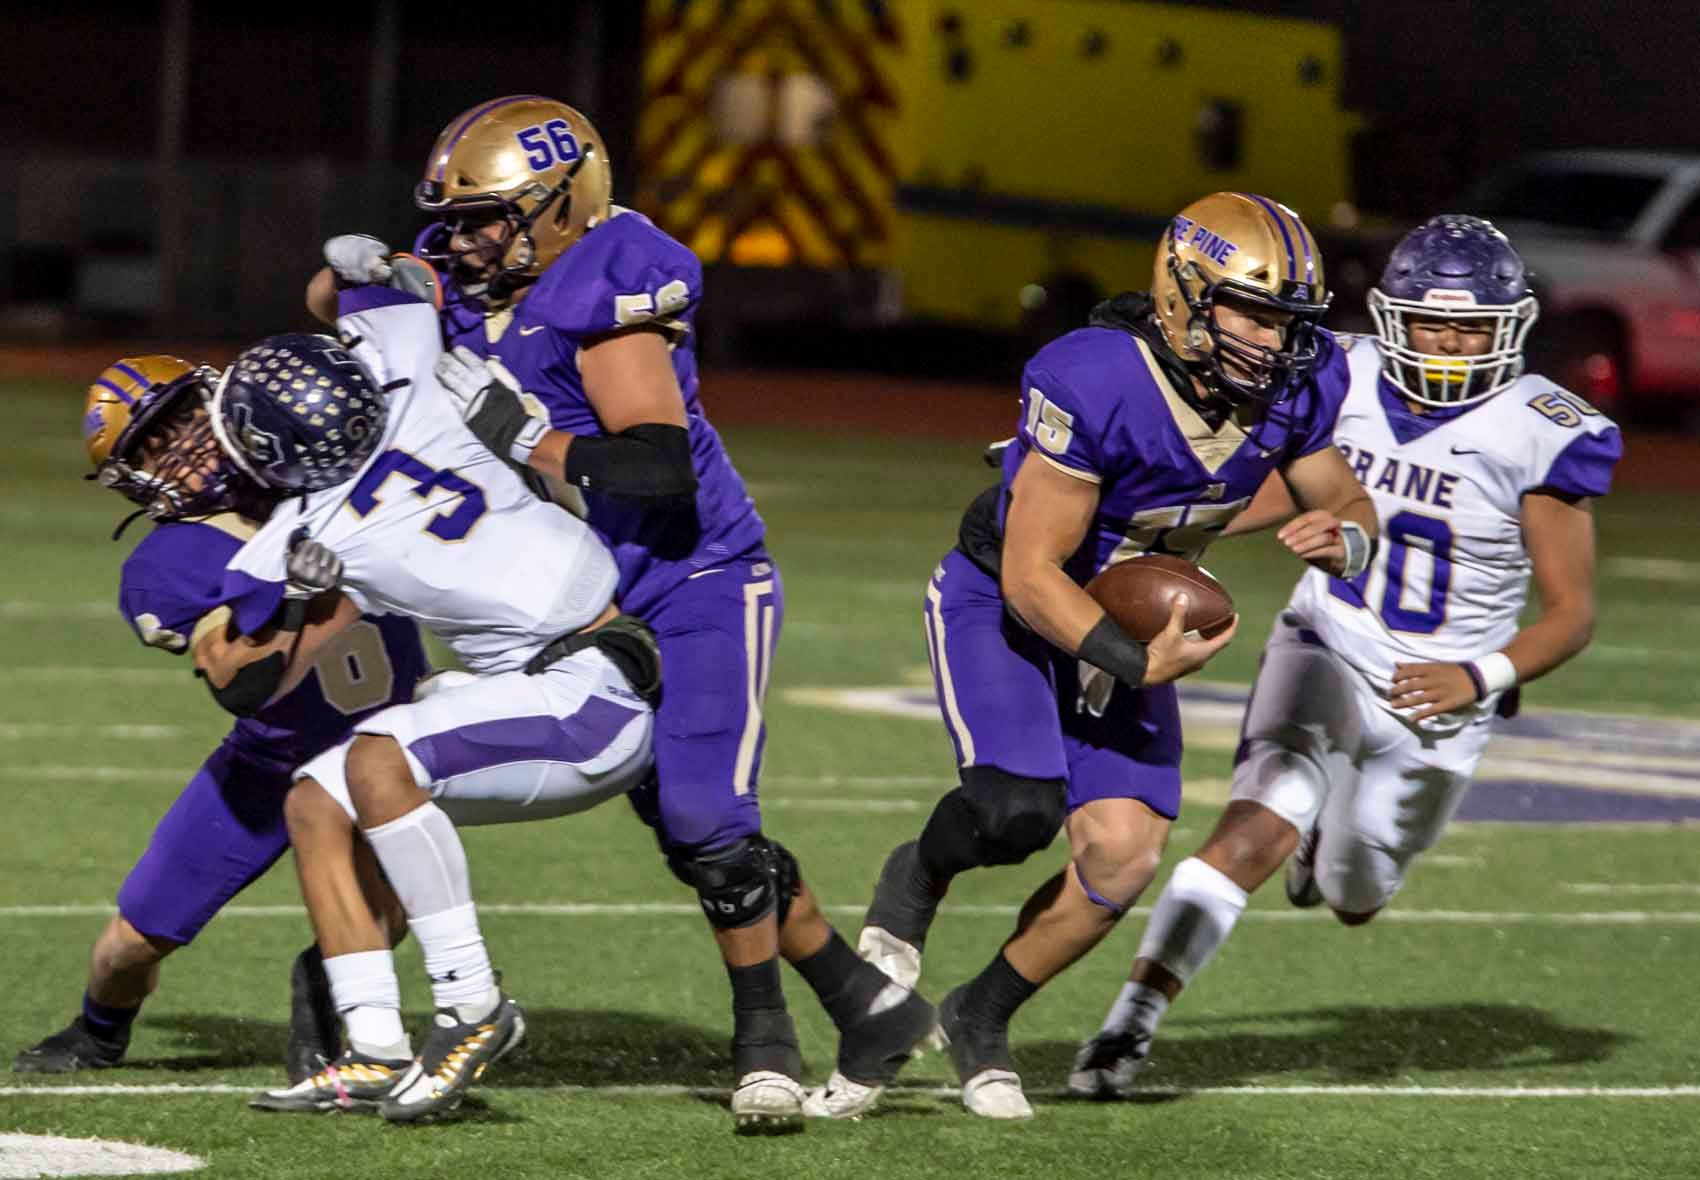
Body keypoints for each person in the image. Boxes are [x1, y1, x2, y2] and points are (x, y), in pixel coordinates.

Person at [307, 95, 936, 1132]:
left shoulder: (607, 278)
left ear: (561, 207)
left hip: (691, 581)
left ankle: (763, 1044)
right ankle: (867, 1007)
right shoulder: (478, 268)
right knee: (688, 831)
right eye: (452, 222)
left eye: (484, 218)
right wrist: (361, 275)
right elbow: (337, 301)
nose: (463, 241)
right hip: (571, 601)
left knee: (704, 818)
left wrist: (527, 441)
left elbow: (653, 470)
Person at [1069, 214, 1621, 1098]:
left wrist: (1477, 678)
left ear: (1507, 327)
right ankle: (1127, 1028)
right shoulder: (1339, 370)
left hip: (1441, 694)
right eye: (1431, 321)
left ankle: (1328, 851)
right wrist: (1145, 522)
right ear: (1391, 314)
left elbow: (1573, 614)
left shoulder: (1543, 429)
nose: (1445, 342)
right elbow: (1257, 478)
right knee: (1254, 823)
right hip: (1327, 637)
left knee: (1356, 890)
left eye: (1468, 325)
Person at [854, 192, 1380, 1119]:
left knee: (1122, 860)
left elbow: (1345, 498)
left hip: (1129, 615)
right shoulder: (1096, 376)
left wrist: (1349, 540)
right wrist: (1136, 666)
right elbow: (1032, 572)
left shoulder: (1297, 386)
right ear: (1184, 295)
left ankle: (981, 1015)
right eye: (1254, 312)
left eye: (1289, 319)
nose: (1277, 340)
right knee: (1017, 811)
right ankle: (916, 877)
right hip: (1012, 601)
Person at [192, 298, 667, 1121]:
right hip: (557, 679)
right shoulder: (408, 383)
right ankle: (374, 1045)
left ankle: (471, 1006)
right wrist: (366, 274)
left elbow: (240, 681)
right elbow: (387, 281)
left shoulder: (304, 525)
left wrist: (294, 601)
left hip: (591, 695)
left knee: (380, 757)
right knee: (314, 799)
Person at [14, 357, 425, 1081]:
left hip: (388, 750)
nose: (183, 445)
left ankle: (326, 984)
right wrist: (294, 596)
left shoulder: (322, 474)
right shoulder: (168, 562)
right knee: (130, 944)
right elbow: (238, 682)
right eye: (151, 446)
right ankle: (99, 1032)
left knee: (389, 918)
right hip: (270, 767)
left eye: (182, 418)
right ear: (134, 480)